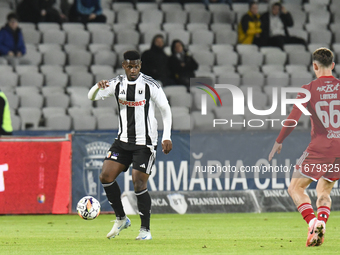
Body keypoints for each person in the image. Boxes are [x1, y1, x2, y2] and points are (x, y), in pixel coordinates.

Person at [88, 50, 172, 240]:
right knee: (105, 175)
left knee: (138, 181)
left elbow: (165, 110)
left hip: (145, 142)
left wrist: (167, 136)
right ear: (124, 66)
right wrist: (96, 86)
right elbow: (91, 97)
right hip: (123, 141)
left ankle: (145, 230)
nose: (133, 69)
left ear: (140, 65)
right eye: (129, 66)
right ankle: (121, 218)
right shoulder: (117, 83)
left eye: (136, 66)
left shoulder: (150, 85)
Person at [269, 48, 340, 247]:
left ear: (314, 66)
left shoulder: (308, 88)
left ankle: (312, 223)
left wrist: (279, 140)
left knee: (295, 187)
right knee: (324, 191)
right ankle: (322, 224)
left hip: (320, 148)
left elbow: (293, 119)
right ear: (333, 66)